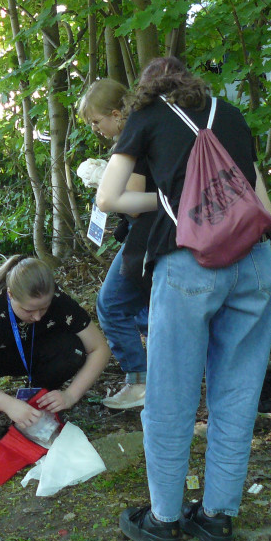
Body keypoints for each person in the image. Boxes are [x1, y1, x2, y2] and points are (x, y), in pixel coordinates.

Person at [97, 56, 271, 541]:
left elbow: (108, 199)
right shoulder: (232, 115)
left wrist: (168, 200)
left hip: (190, 265)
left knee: (170, 398)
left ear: (148, 89)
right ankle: (217, 519)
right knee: (237, 394)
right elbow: (263, 206)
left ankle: (164, 521)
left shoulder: (147, 117)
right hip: (255, 265)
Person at [0, 255, 110, 440]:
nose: (37, 317)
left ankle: (40, 400)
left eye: (44, 308)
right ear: (10, 294)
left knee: (70, 349)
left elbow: (99, 348)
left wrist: (71, 395)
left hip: (32, 352)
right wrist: (7, 404)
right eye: (29, 310)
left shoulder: (58, 299)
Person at [78, 79, 154, 409]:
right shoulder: (145, 130)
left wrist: (103, 181)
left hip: (148, 234)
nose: (95, 129)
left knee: (111, 305)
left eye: (97, 122)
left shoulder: (133, 139)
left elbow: (134, 203)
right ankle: (169, 362)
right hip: (158, 231)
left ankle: (140, 382)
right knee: (147, 307)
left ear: (116, 114)